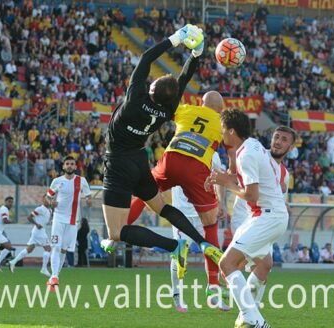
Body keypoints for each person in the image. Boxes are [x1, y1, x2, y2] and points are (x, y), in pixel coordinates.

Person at [101, 24, 220, 280]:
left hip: (118, 163)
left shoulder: (134, 98)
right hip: (138, 161)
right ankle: (202, 242)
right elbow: (183, 79)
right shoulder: (168, 110)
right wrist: (196, 54)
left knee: (116, 232)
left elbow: (146, 58)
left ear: (151, 89)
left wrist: (176, 39)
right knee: (162, 208)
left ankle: (174, 246)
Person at [117, 90, 226, 295]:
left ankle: (118, 230)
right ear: (220, 110)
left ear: (201, 103)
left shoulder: (187, 110)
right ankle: (213, 285)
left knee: (143, 193)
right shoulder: (221, 125)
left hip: (171, 164)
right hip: (195, 178)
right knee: (211, 225)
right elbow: (230, 154)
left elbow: (164, 108)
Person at [208, 109, 289, 327]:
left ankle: (256, 320)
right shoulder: (252, 145)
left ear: (232, 131)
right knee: (262, 264)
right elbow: (250, 180)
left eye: (224, 130)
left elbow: (250, 194)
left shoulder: (246, 154)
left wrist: (227, 183)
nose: (222, 133)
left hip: (267, 217)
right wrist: (224, 178)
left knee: (227, 263)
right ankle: (248, 317)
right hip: (266, 216)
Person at [226, 125, 296, 308]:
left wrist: (284, 203)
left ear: (291, 147)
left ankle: (249, 308)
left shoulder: (284, 175)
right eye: (276, 137)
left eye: (284, 140)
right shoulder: (256, 154)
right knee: (241, 262)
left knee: (264, 266)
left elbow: (276, 198)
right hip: (245, 216)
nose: (278, 142)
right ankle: (245, 307)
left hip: (265, 219)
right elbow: (233, 177)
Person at [170, 152, 229, 312]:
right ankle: (177, 295)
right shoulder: (179, 147)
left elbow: (220, 178)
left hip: (205, 213)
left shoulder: (212, 153)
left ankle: (213, 294)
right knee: (180, 256)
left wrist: (221, 203)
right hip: (183, 213)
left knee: (211, 254)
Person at [46, 156, 92, 291]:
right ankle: (54, 276)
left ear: (75, 167)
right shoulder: (57, 181)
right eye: (67, 164)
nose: (70, 166)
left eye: (72, 164)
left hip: (73, 221)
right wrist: (51, 203)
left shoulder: (81, 181)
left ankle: (53, 279)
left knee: (64, 250)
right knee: (56, 246)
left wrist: (89, 201)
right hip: (58, 218)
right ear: (63, 167)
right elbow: (48, 198)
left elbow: (88, 196)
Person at [9, 195, 52, 276]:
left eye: (49, 199)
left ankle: (13, 262)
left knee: (29, 249)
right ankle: (44, 269)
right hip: (39, 232)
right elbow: (29, 217)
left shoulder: (50, 210)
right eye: (46, 199)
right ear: (43, 200)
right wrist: (36, 224)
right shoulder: (40, 209)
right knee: (48, 249)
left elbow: (45, 221)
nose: (48, 200)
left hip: (39, 232)